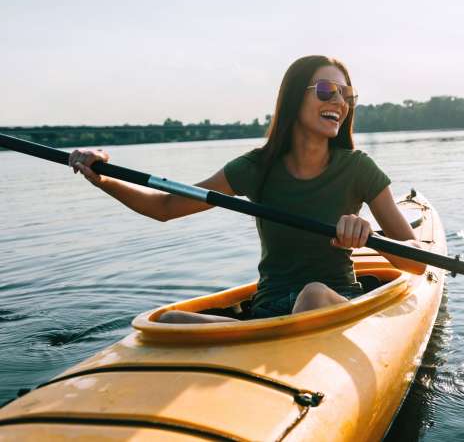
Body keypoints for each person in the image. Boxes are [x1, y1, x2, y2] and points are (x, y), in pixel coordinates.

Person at [68, 55, 425, 323]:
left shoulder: (358, 168)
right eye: (327, 90)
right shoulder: (255, 168)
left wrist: (367, 236)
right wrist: (102, 176)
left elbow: (416, 262)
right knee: (168, 320)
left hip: (332, 302)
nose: (340, 102)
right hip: (267, 311)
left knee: (313, 295)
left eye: (347, 94)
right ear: (292, 99)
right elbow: (164, 207)